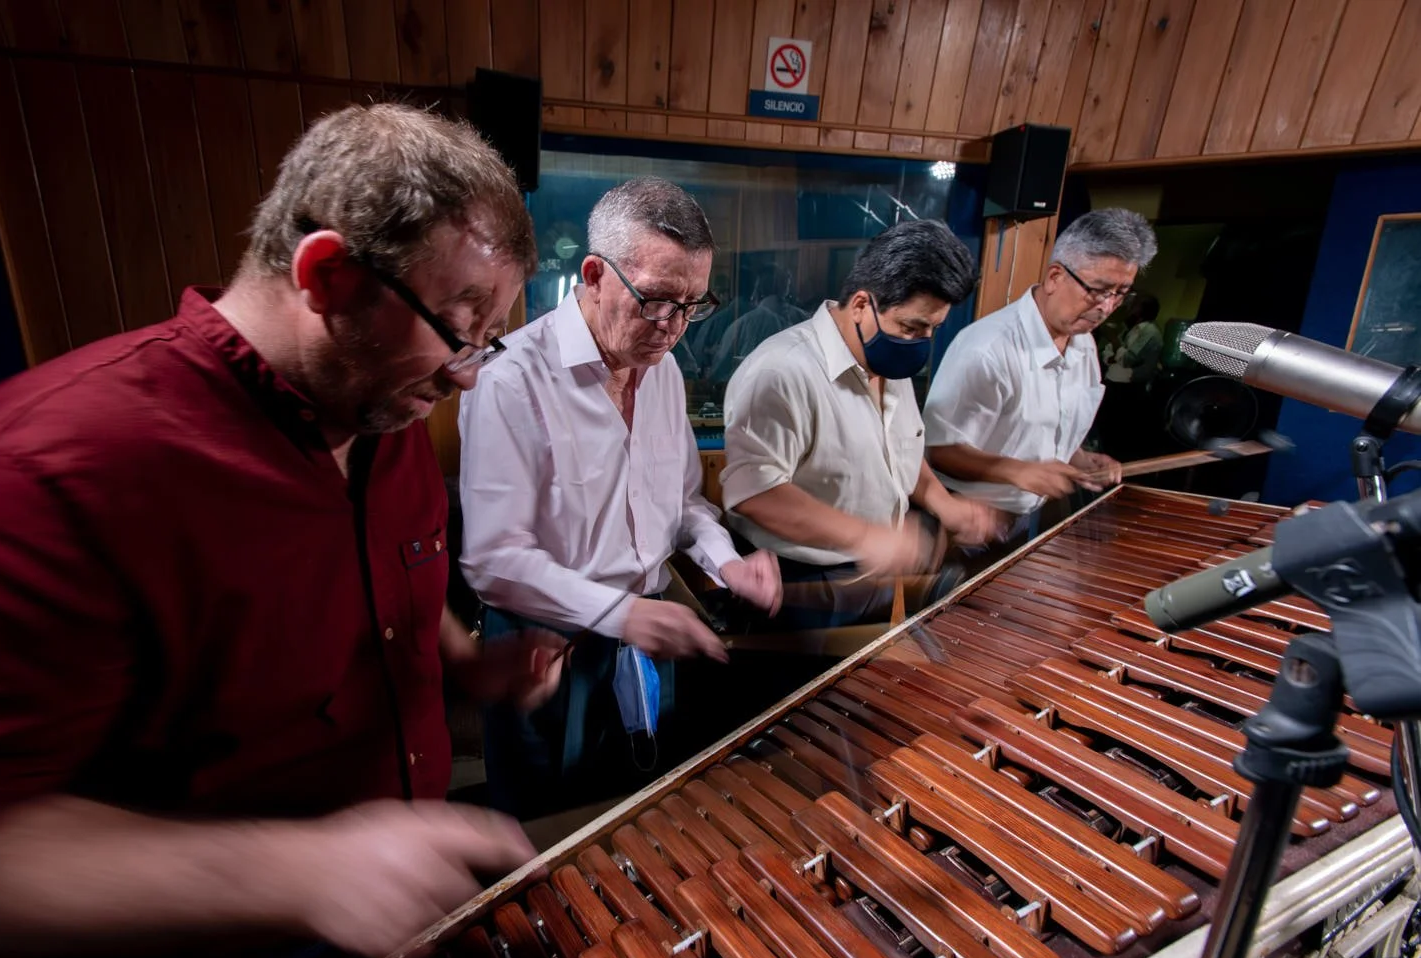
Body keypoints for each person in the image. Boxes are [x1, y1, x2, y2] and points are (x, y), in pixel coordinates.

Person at [0, 104, 562, 958]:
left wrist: (467, 664)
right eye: (459, 327)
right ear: (328, 275)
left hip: (394, 926)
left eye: (488, 338)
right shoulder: (34, 473)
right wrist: (298, 871)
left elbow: (379, 594)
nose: (467, 373)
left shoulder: (387, 408)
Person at [458, 177, 782, 822]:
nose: (674, 330)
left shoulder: (661, 370)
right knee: (543, 835)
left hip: (643, 631)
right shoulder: (509, 379)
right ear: (594, 273)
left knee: (634, 816)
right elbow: (494, 558)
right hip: (546, 647)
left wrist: (725, 561)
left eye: (694, 305)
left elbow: (684, 502)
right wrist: (620, 613)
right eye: (658, 301)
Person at [720, 220, 1003, 628]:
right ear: (860, 305)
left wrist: (945, 504)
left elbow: (897, 453)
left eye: (932, 329)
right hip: (796, 585)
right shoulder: (782, 370)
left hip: (872, 575)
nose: (921, 341)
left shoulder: (889, 362)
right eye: (911, 327)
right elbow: (755, 494)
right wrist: (869, 538)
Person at [924, 208, 1158, 546]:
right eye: (1098, 290)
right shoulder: (987, 348)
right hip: (970, 520)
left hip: (1035, 515)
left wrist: (1080, 458)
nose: (1107, 308)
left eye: (1121, 293)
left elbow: (1047, 430)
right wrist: (1019, 471)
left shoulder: (1085, 346)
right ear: (1054, 277)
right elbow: (939, 450)